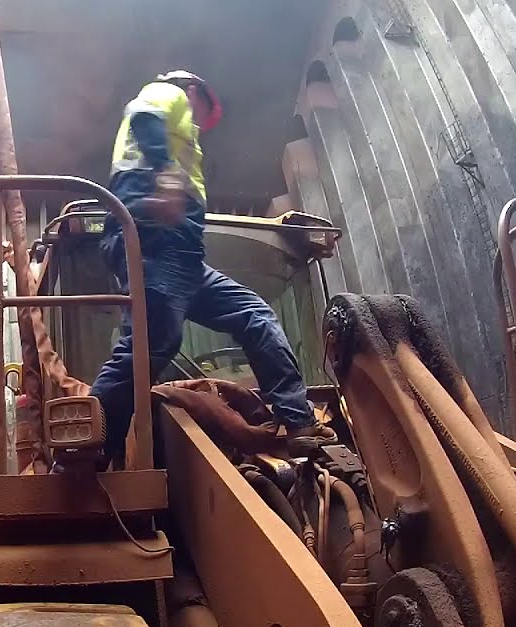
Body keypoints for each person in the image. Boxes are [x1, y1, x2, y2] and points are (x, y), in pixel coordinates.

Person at [89, 70, 335, 465]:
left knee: (254, 314)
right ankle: (91, 441)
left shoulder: (187, 139)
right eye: (204, 109)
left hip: (185, 257)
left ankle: (297, 421)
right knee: (154, 343)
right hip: (152, 238)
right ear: (193, 90)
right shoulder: (165, 93)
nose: (203, 122)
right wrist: (167, 178)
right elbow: (145, 118)